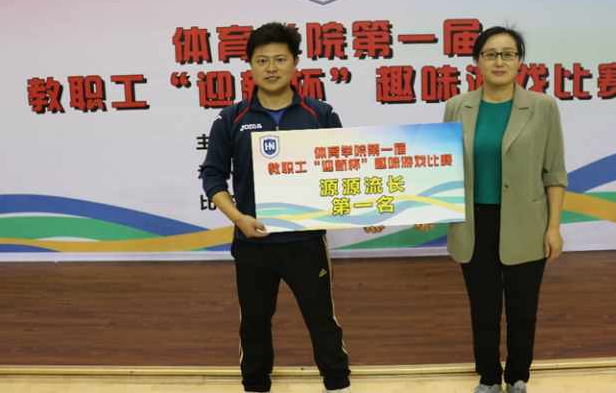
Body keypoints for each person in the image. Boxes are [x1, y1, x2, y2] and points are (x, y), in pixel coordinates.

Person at [201, 22, 376, 393]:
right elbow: (213, 177)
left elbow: (348, 172)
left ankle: (337, 383)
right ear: (250, 66)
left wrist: (370, 212)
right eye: (262, 60)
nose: (271, 68)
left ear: (296, 63)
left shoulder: (320, 114)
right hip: (253, 243)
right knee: (254, 323)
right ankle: (255, 384)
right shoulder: (231, 118)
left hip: (306, 242)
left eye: (280, 59)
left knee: (321, 319)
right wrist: (238, 219)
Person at [418, 26, 567, 393]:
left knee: (522, 311)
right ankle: (487, 378)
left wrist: (554, 227)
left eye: (508, 54)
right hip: (474, 223)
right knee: (483, 312)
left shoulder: (543, 106)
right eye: (490, 54)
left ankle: (517, 377)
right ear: (477, 61)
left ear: (519, 61)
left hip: (527, 222)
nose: (499, 61)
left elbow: (554, 172)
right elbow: (444, 166)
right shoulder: (458, 106)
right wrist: (426, 208)